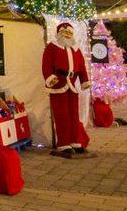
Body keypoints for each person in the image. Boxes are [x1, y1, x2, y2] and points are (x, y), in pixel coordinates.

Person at [42, 22, 91, 154]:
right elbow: (46, 65)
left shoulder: (76, 49)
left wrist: (84, 81)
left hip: (72, 84)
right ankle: (63, 143)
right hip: (58, 84)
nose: (67, 35)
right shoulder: (52, 47)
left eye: (69, 33)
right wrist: (50, 78)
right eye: (64, 33)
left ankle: (75, 140)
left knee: (74, 114)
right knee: (61, 114)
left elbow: (81, 67)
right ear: (59, 33)